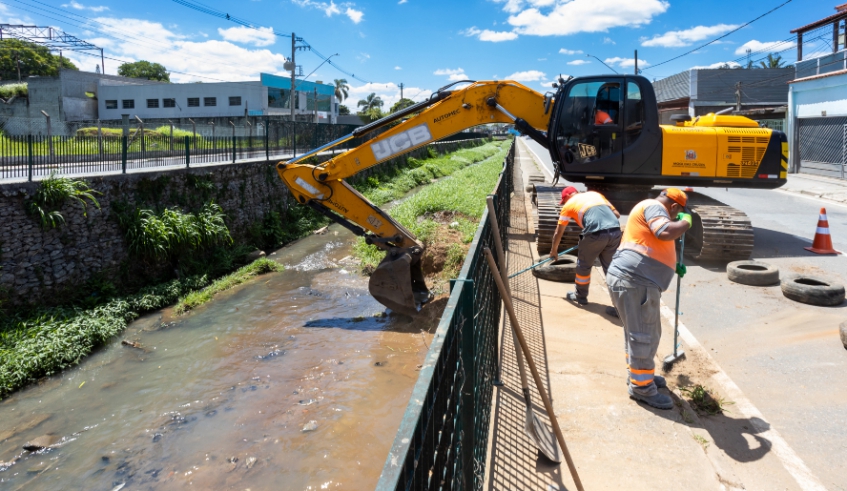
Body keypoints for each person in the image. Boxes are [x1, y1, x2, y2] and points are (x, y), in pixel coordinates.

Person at [605, 188, 692, 410]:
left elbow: (654, 242)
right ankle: (642, 388)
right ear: (674, 207)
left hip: (635, 280)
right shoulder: (655, 207)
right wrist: (686, 222)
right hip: (636, 282)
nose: (674, 217)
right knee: (644, 335)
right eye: (676, 214)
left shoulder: (648, 208)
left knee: (639, 332)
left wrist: (671, 265)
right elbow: (664, 232)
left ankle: (640, 376)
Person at [549, 186, 621, 306]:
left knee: (584, 266)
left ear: (567, 196)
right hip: (615, 232)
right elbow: (617, 214)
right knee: (611, 269)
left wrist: (554, 250)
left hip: (595, 233)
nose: (564, 203)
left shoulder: (569, 205)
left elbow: (558, 232)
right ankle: (620, 306)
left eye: (564, 201)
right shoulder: (596, 195)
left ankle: (580, 296)